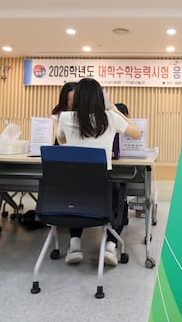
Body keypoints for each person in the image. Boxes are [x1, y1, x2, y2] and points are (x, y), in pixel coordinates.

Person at [56, 78, 141, 266]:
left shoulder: (65, 117)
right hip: (102, 187)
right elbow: (137, 133)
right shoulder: (110, 118)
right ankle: (110, 246)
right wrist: (116, 111)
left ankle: (75, 245)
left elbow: (61, 141)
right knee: (120, 201)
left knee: (75, 202)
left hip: (74, 186)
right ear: (100, 98)